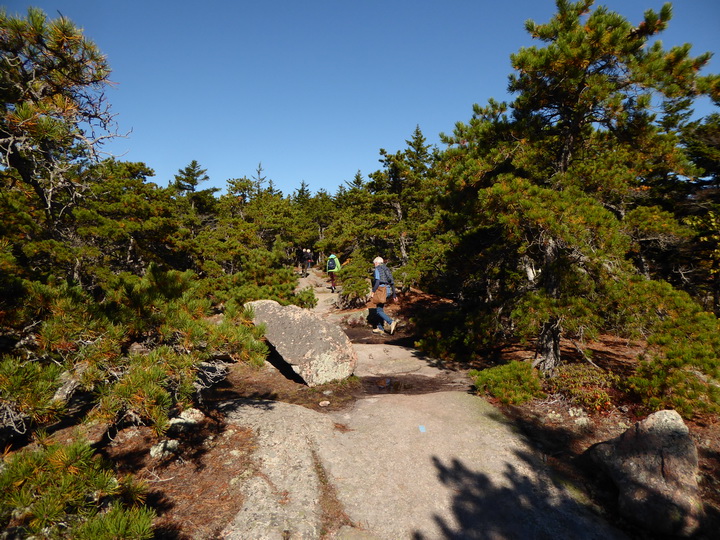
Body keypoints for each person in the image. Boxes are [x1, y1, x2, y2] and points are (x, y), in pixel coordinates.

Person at [371, 256, 397, 335]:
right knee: (380, 308)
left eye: (374, 263)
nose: (374, 265)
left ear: (376, 263)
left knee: (378, 311)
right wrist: (394, 294)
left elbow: (378, 281)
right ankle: (380, 328)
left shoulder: (377, 269)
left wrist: (373, 291)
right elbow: (392, 281)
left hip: (381, 290)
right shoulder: (387, 269)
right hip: (388, 290)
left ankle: (391, 322)